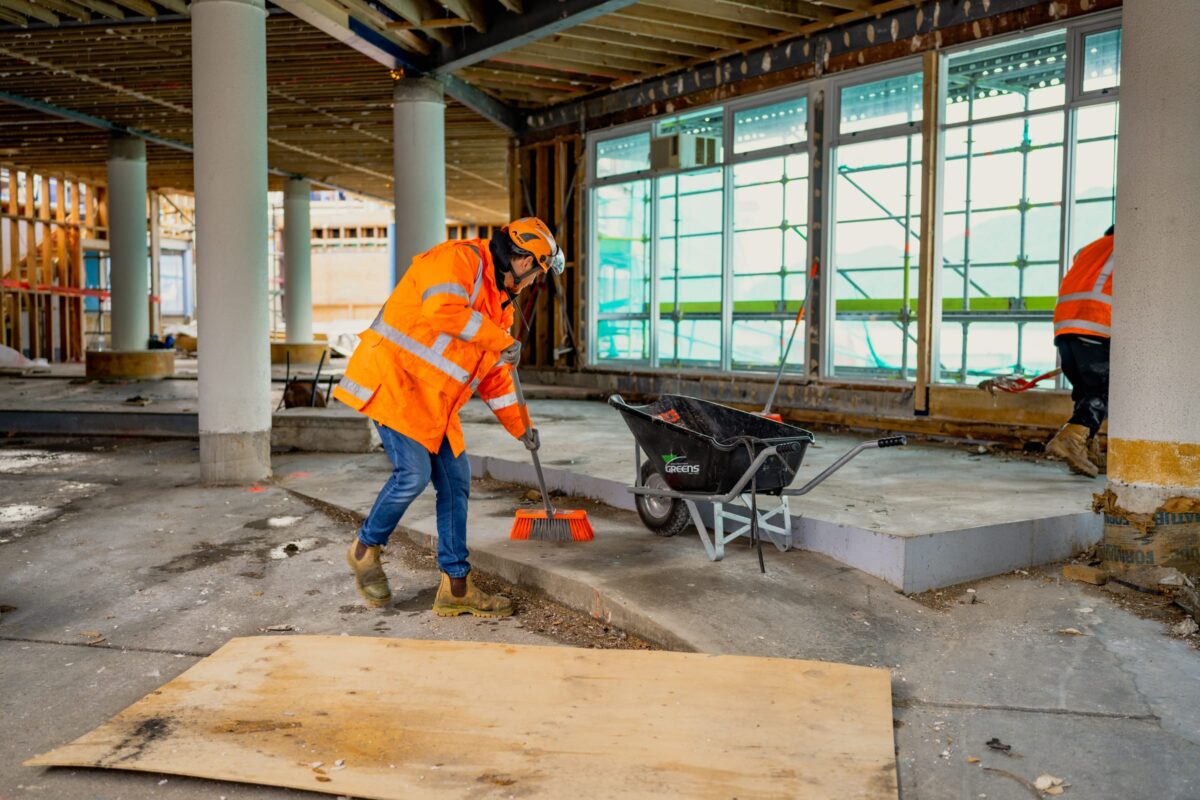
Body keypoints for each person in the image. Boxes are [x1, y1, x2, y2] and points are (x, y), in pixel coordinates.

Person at [332, 218, 564, 616]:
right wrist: (500, 340)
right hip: (395, 384)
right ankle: (365, 550)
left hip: (434, 402)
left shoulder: (499, 307)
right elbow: (443, 310)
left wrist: (521, 427)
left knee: (456, 480)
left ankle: (456, 587)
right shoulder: (458, 261)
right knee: (413, 475)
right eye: (537, 273)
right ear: (524, 262)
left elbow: (495, 379)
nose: (531, 284)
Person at [1046, 225, 1114, 477]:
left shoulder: (1090, 248)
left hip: (1065, 329)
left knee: (1086, 392)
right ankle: (1071, 439)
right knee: (1104, 390)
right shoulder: (1129, 248)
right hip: (1096, 324)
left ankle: (1086, 449)